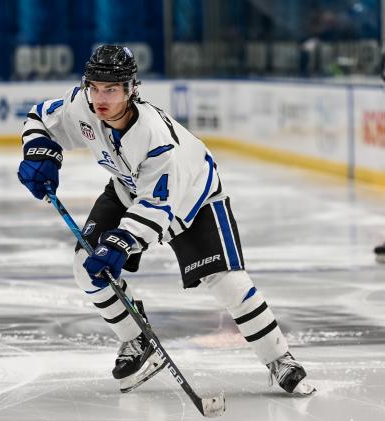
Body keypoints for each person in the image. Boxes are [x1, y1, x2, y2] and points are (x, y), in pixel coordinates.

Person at [17, 44, 316, 396]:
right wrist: (40, 152)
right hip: (128, 189)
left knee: (227, 283)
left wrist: (122, 241)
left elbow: (160, 207)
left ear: (131, 89)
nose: (100, 97)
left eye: (111, 89)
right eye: (94, 87)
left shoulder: (155, 138)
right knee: (86, 267)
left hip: (194, 198)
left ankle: (279, 359)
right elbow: (40, 118)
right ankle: (136, 339)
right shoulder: (81, 105)